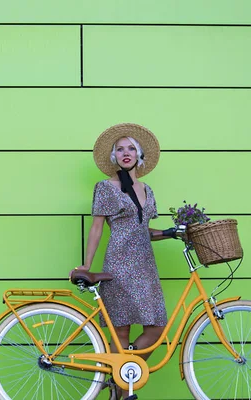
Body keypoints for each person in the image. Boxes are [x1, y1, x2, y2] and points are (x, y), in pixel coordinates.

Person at [75, 123, 177, 400]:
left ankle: (125, 368)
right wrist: (86, 264)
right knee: (120, 330)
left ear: (140, 155)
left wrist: (171, 232)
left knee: (156, 328)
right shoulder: (106, 188)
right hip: (119, 264)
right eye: (120, 149)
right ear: (114, 157)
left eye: (131, 148)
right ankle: (120, 393)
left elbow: (143, 230)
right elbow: (97, 227)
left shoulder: (148, 190)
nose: (126, 153)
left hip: (145, 266)